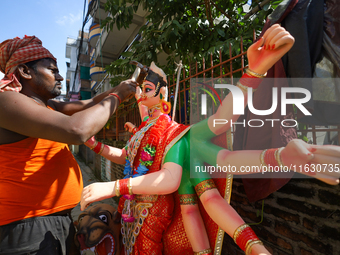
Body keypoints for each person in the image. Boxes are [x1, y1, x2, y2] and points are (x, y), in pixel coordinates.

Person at [80, 25, 340, 255]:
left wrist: (254, 72)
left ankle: (280, 163)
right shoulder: (141, 132)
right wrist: (95, 145)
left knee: (201, 197)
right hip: (130, 215)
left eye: (146, 90)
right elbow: (126, 157)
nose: (140, 97)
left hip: (154, 219)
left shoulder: (175, 132)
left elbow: (220, 122)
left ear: (163, 96)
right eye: (139, 92)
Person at [0, 35, 136, 255]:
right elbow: (77, 129)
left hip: (55, 220)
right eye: (53, 70)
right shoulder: (6, 102)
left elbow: (90, 104)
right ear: (25, 72)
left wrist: (122, 89)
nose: (60, 76)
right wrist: (118, 95)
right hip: (24, 228)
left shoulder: (47, 106)